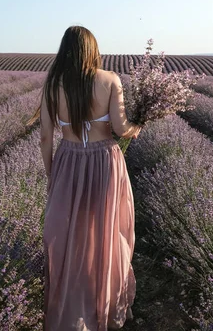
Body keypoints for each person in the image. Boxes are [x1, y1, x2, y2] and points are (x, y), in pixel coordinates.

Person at [29, 25, 142, 330]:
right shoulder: (110, 80)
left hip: (68, 161)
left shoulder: (53, 85)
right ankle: (107, 303)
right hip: (105, 161)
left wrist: (53, 172)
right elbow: (120, 129)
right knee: (109, 231)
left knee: (70, 236)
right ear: (93, 49)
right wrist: (138, 125)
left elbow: (44, 137)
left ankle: (72, 306)